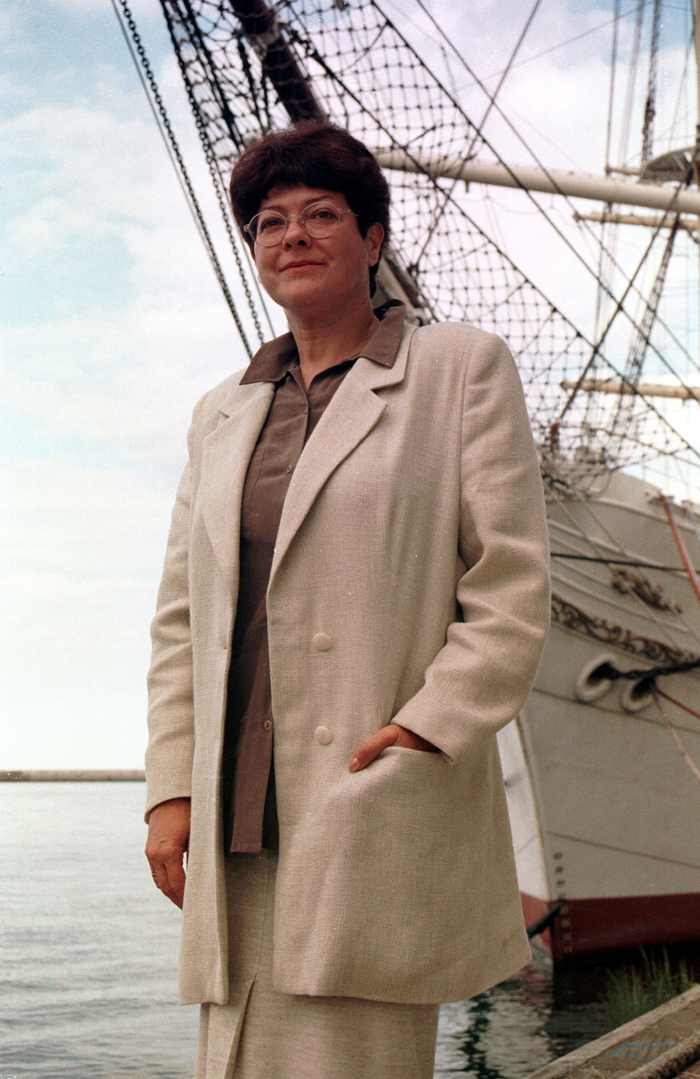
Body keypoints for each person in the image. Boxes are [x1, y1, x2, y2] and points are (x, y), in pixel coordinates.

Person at [144, 120, 550, 1079]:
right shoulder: (222, 411)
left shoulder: (458, 369)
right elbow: (180, 619)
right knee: (234, 1053)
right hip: (235, 798)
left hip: (369, 781)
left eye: (321, 214)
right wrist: (171, 787)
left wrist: (425, 729)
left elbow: (510, 583)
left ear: (373, 240)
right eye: (269, 222)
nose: (292, 234)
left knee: (353, 1054)